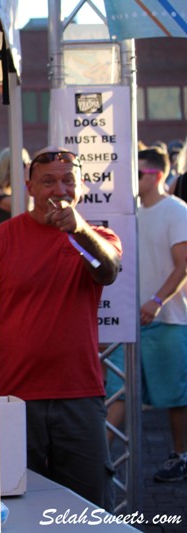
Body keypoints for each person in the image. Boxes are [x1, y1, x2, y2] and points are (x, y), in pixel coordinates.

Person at [0, 147, 122, 509]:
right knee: (15, 505)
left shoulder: (98, 237)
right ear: (28, 187)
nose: (59, 189)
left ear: (81, 186)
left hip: (79, 398)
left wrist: (81, 231)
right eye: (48, 181)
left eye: (68, 180)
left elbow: (108, 270)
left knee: (87, 510)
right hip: (12, 401)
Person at [110, 147, 187, 482]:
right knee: (118, 391)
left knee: (175, 396)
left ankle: (180, 456)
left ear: (155, 175)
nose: (132, 181)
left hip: (168, 319)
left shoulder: (176, 210)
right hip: (131, 321)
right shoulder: (132, 213)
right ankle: (99, 460)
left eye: (138, 174)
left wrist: (157, 300)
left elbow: (184, 264)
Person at [0, 146, 30, 225]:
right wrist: (27, 181)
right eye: (24, 165)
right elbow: (24, 209)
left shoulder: (12, 193)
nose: (27, 168)